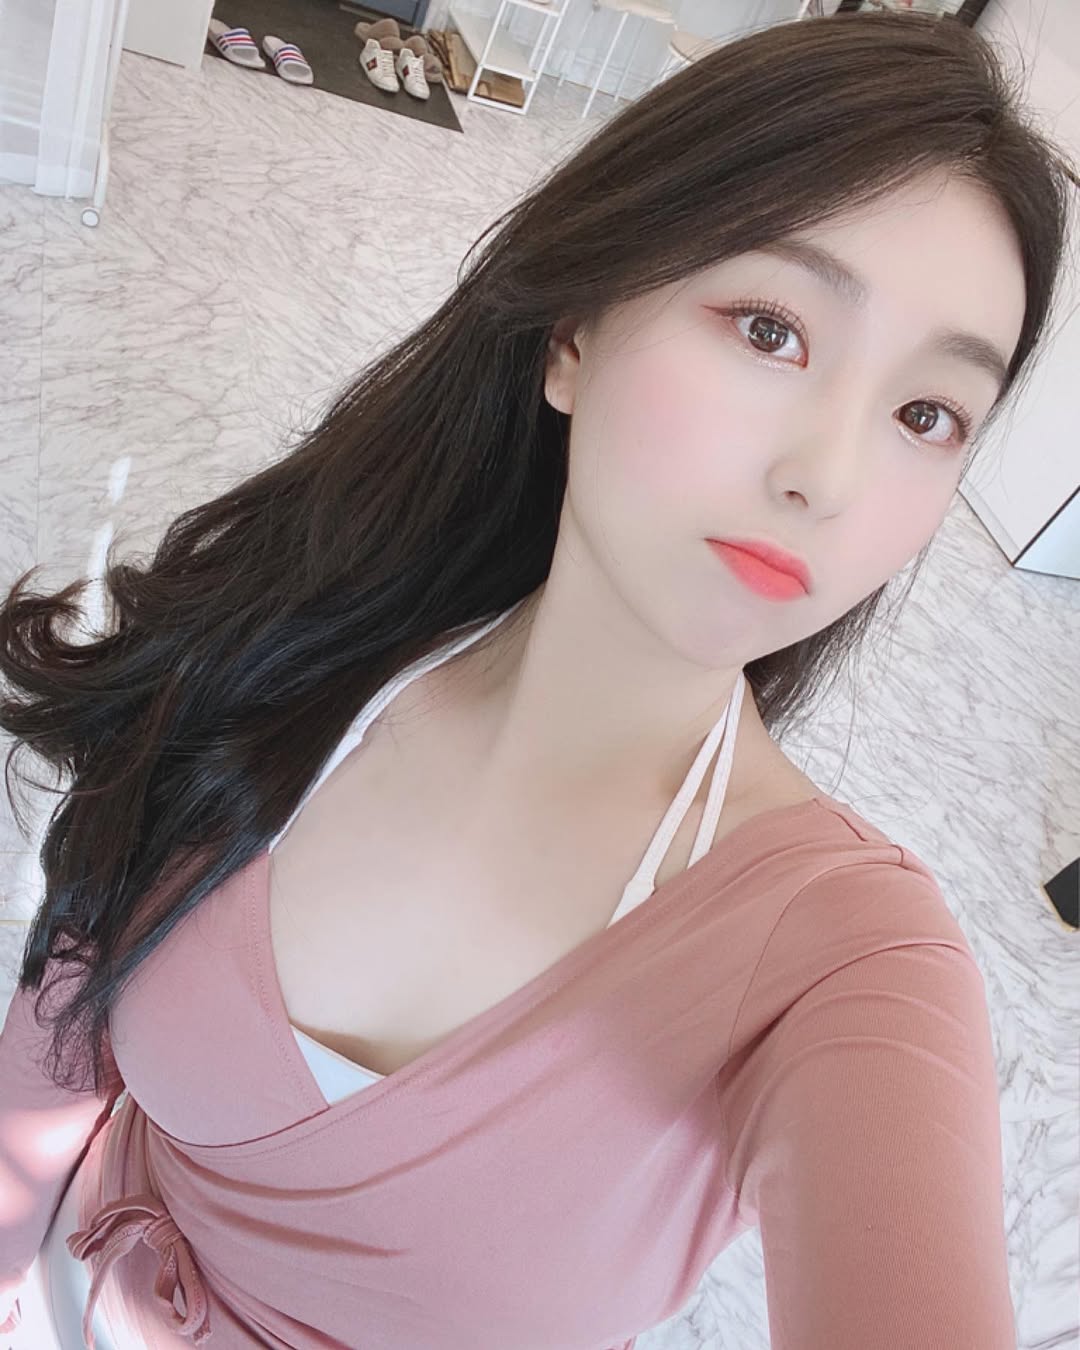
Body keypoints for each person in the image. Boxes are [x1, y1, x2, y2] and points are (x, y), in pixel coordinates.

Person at [0, 9, 1072, 1349]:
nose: (829, 474)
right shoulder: (314, 625)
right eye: (770, 328)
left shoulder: (849, 963)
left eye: (926, 414)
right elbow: (67, 1002)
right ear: (574, 334)